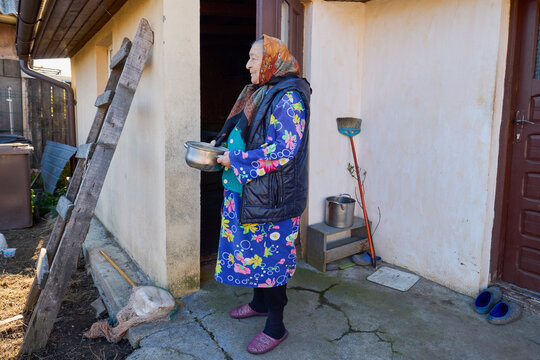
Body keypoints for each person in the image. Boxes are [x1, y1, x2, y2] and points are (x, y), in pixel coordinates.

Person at [213, 34, 311, 354]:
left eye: (254, 58)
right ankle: (259, 303)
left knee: (272, 260)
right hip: (247, 190)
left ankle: (276, 325)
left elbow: (283, 150)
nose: (248, 64)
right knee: (254, 255)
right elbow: (241, 131)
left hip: (273, 198)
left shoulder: (289, 97)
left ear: (270, 60)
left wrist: (236, 159)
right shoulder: (259, 91)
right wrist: (220, 145)